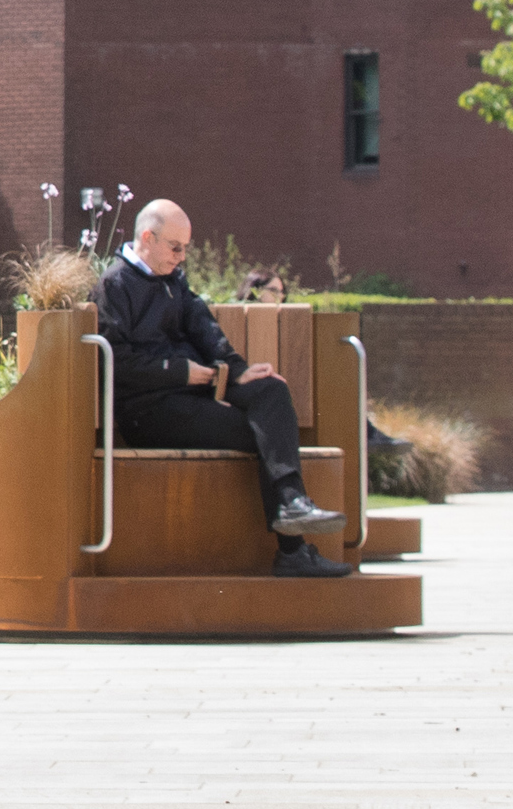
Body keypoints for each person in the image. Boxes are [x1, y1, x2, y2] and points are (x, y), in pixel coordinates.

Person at [96, 200, 348, 578]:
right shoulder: (114, 285)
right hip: (150, 410)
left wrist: (240, 370)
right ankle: (292, 550)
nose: (181, 257)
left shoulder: (173, 280)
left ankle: (294, 502)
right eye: (175, 247)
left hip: (196, 389)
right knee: (263, 434)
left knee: (271, 391)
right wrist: (181, 373)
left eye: (186, 249)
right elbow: (116, 359)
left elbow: (203, 327)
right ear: (147, 238)